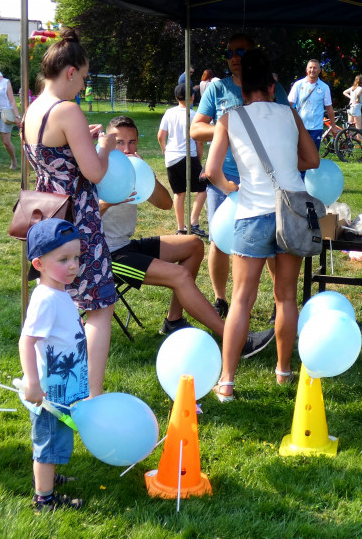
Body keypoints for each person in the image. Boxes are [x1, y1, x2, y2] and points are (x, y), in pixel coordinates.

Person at [100, 115, 275, 354]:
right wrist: (110, 200)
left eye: (132, 142)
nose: (127, 148)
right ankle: (235, 340)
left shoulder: (133, 169)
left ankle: (173, 321)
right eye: (120, 142)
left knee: (194, 244)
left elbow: (163, 203)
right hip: (105, 256)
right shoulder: (98, 170)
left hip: (125, 245)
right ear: (108, 142)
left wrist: (145, 174)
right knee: (180, 276)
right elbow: (80, 218)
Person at [205, 48, 320, 402]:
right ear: (272, 87)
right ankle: (283, 372)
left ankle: (226, 381)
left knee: (241, 299)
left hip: (252, 212)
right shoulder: (290, 114)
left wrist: (229, 188)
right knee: (286, 297)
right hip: (292, 210)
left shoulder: (229, 118)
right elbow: (312, 159)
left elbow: (211, 171)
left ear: (242, 91)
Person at [22, 28, 118, 398]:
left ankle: (56, 383)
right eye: (84, 77)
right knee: (99, 307)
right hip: (78, 219)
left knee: (61, 302)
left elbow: (55, 158)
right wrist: (105, 146)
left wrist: (85, 140)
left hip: (48, 216)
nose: (83, 86)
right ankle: (90, 394)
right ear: (70, 72)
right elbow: (94, 172)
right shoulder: (67, 110)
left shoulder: (34, 108)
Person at [192, 33, 290, 318]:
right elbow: (196, 129)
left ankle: (277, 302)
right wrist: (229, 128)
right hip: (223, 181)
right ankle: (221, 300)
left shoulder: (275, 88)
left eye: (242, 52)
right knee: (219, 241)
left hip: (262, 181)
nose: (235, 57)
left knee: (272, 243)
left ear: (254, 54)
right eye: (230, 52)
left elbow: (285, 124)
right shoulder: (217, 88)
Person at [19, 218, 88, 511]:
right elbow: (27, 341)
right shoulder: (45, 298)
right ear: (39, 264)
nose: (73, 265)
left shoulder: (59, 291)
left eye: (76, 257)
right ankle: (43, 498)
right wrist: (32, 382)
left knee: (56, 439)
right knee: (48, 443)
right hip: (49, 393)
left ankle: (49, 476)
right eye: (63, 259)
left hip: (64, 387)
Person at [158, 83, 208, 236]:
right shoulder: (194, 116)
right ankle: (193, 222)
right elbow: (199, 141)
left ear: (176, 97)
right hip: (188, 156)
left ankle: (181, 228)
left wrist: (165, 151)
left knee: (179, 193)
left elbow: (161, 136)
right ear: (193, 97)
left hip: (172, 157)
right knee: (204, 188)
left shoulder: (169, 112)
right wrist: (198, 159)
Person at [288, 59, 335, 149]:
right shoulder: (298, 84)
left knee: (313, 155)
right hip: (300, 126)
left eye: (315, 68)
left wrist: (333, 126)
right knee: (299, 153)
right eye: (310, 67)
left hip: (316, 128)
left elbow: (329, 108)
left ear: (319, 70)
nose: (312, 70)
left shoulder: (324, 87)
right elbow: (289, 104)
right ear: (306, 69)